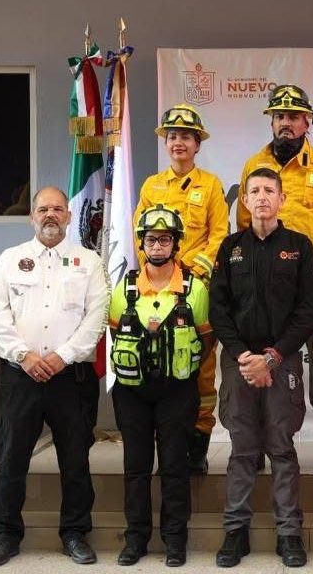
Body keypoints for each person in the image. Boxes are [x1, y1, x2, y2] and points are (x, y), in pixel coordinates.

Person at [0, 186, 109, 567]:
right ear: (31, 216)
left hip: (71, 378)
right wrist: (25, 355)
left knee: (75, 460)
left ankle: (75, 533)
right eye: (43, 209)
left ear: (69, 216)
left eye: (57, 209)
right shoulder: (9, 260)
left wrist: (62, 357)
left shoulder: (90, 262)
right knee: (12, 456)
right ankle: (5, 534)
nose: (50, 215)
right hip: (21, 375)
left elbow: (96, 317)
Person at [236, 84, 313, 470]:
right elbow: (243, 224)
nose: (286, 123)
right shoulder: (254, 166)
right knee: (263, 373)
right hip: (267, 295)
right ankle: (258, 457)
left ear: (309, 121)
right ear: (271, 121)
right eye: (279, 116)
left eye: (293, 116)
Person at [210, 168, 313, 568]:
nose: (261, 197)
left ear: (281, 199)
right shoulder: (230, 247)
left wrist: (272, 357)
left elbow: (307, 313)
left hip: (283, 360)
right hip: (239, 362)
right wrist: (244, 356)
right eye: (253, 191)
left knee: (281, 448)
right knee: (242, 450)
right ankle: (234, 533)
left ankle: (289, 534)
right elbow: (218, 310)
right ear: (245, 200)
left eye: (268, 190)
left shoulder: (299, 246)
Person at [108, 205, 212, 567]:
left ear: (176, 244)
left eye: (165, 239)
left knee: (174, 466)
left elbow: (206, 340)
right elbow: (114, 331)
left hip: (177, 390)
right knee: (135, 466)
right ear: (141, 243)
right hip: (132, 391)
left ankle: (174, 540)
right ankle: (135, 538)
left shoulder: (195, 290)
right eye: (151, 239)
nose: (157, 246)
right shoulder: (123, 289)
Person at [136, 103, 228, 475]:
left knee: (202, 368)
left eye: (186, 137)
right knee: (160, 363)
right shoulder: (151, 186)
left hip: (197, 291)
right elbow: (139, 234)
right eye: (172, 136)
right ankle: (168, 446)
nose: (179, 142)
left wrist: (195, 271)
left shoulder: (210, 185)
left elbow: (220, 233)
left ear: (197, 144)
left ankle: (198, 446)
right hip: (156, 292)